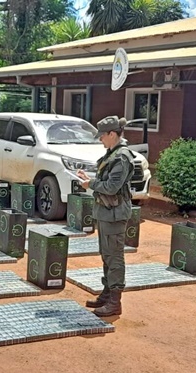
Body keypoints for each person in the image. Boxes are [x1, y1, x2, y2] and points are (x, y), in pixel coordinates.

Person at [76, 115, 135, 317]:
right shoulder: (113, 154)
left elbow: (111, 187)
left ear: (112, 134)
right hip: (106, 212)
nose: (100, 139)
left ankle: (115, 302)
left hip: (114, 214)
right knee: (106, 254)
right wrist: (89, 179)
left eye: (102, 136)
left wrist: (90, 184)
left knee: (114, 257)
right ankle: (107, 293)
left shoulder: (121, 157)